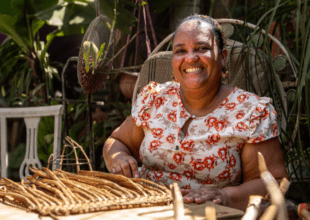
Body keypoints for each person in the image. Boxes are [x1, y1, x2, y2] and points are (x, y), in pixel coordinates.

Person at [103, 14, 288, 211]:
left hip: (210, 213)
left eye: (202, 48)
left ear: (223, 58)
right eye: (180, 51)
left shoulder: (251, 112)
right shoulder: (155, 99)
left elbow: (274, 182)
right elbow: (117, 142)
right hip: (145, 208)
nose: (190, 58)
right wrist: (118, 158)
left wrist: (225, 195)